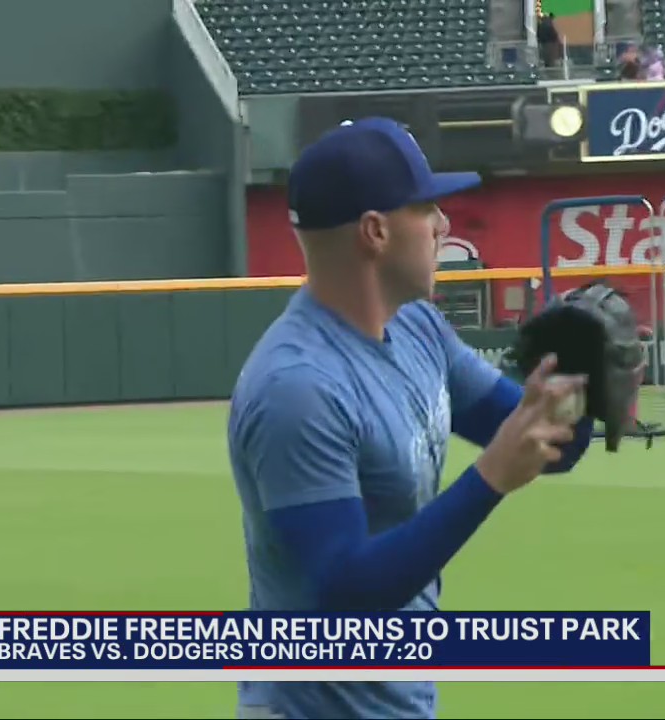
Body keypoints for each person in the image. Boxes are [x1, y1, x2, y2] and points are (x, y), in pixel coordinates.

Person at [226, 117, 596, 720]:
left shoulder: (419, 328)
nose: (444, 226)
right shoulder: (297, 388)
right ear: (375, 231)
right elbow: (346, 593)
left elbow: (546, 441)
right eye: (426, 209)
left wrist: (587, 383)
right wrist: (490, 478)